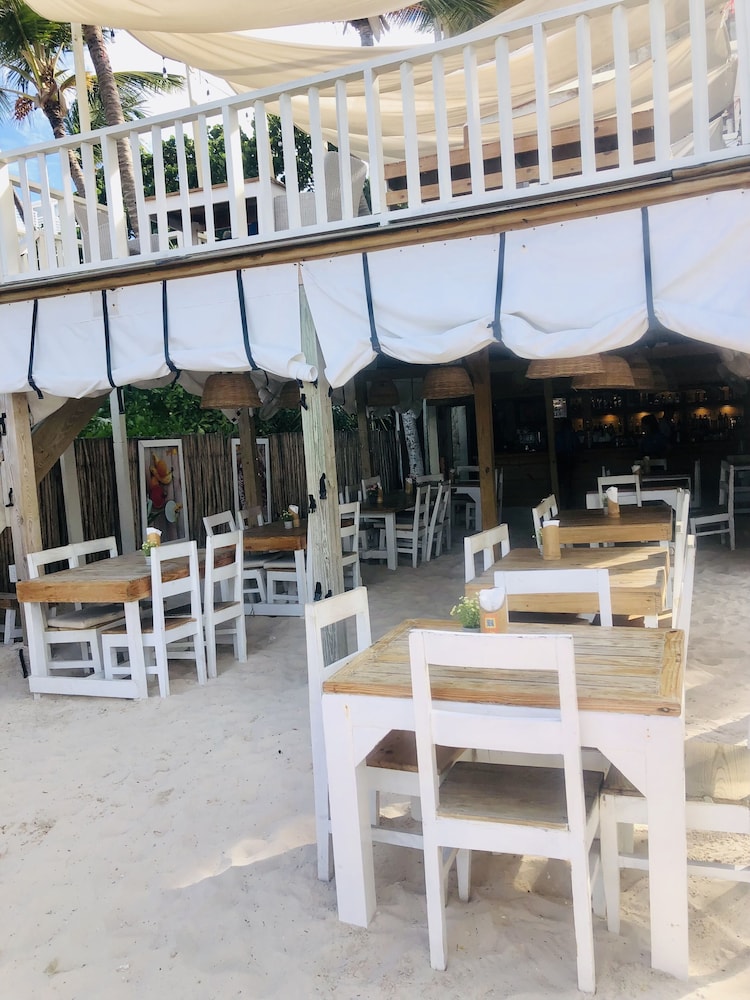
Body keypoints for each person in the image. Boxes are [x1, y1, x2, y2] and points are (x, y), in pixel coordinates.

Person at [554, 417, 580, 508]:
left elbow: (556, 448)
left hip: (561, 460)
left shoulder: (559, 435)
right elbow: (577, 445)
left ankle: (564, 502)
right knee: (570, 482)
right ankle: (570, 501)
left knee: (563, 483)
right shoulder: (572, 434)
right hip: (570, 459)